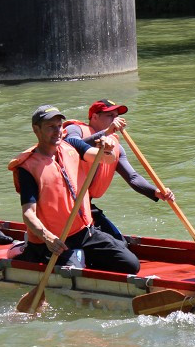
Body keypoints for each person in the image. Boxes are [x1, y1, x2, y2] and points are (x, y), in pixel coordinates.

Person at [7, 105, 141, 274]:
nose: (57, 131)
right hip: (54, 240)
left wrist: (107, 148)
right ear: (36, 130)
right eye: (50, 127)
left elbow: (106, 159)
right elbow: (28, 214)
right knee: (70, 274)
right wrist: (48, 238)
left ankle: (82, 258)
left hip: (84, 232)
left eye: (59, 126)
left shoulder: (71, 145)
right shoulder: (27, 168)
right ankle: (27, 253)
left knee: (131, 265)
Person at [62, 99, 174, 240]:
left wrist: (156, 192)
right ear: (95, 117)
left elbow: (133, 177)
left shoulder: (116, 147)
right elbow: (68, 147)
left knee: (120, 241)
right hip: (66, 205)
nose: (116, 120)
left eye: (116, 116)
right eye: (110, 116)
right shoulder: (75, 129)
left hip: (86, 205)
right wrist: (106, 132)